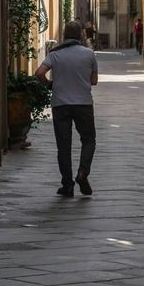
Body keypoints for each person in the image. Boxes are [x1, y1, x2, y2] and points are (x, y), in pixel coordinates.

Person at [35, 21, 98, 197]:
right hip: (83, 104)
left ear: (64, 34)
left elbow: (39, 73)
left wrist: (49, 85)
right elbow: (93, 81)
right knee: (89, 140)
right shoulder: (89, 54)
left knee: (63, 146)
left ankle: (67, 185)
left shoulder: (55, 54)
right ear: (81, 36)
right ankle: (83, 173)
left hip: (60, 104)